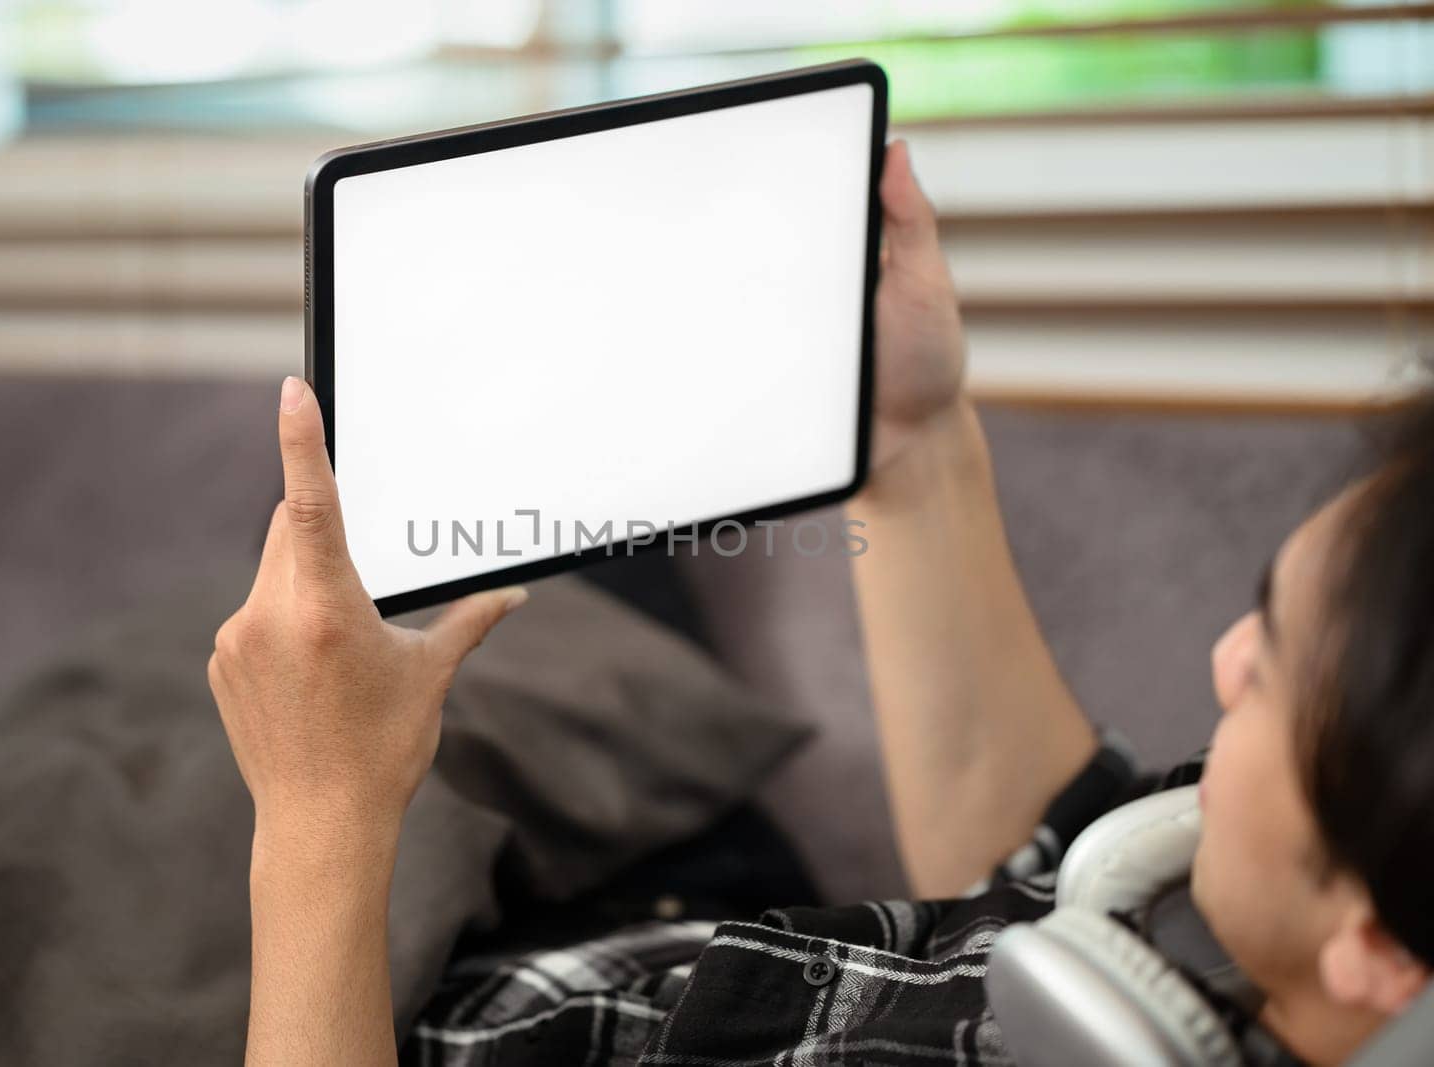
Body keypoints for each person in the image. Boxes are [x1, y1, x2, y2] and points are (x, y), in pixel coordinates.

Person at [205, 139, 1433, 1066]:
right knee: (542, 455)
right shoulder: (1291, 888)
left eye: (1270, 675)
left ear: (1377, 951)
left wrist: (319, 815)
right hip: (669, 905)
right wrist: (910, 436)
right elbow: (1052, 861)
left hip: (335, 988)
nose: (1225, 662)